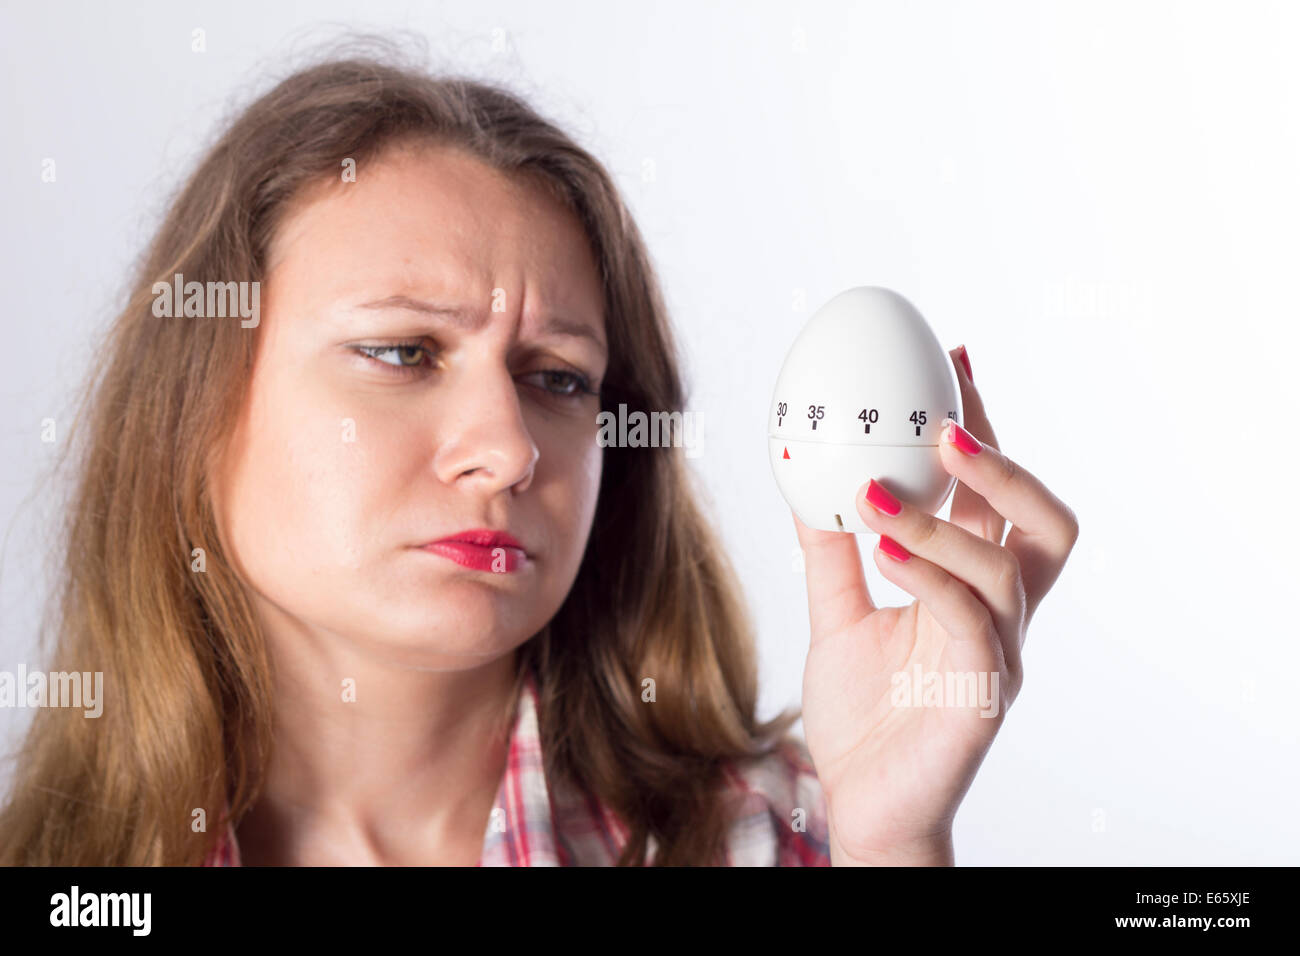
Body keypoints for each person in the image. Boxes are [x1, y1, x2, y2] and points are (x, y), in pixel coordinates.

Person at [0, 46, 1078, 867]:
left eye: (559, 378)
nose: (511, 449)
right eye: (400, 350)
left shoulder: (763, 837)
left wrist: (890, 840)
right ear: (195, 405)